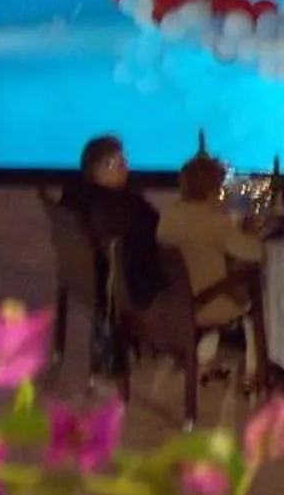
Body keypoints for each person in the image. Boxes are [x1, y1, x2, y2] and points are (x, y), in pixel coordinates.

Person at [155, 149, 264, 382]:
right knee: (255, 294)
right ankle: (255, 369)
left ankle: (204, 359)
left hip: (174, 301)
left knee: (209, 283)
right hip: (207, 304)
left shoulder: (169, 216)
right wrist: (252, 230)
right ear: (212, 188)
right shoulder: (215, 222)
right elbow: (255, 253)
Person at [59, 134, 168, 313]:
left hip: (102, 281)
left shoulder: (77, 199)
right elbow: (155, 232)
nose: (124, 169)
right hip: (129, 289)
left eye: (123, 163)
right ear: (98, 170)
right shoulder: (120, 208)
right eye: (118, 164)